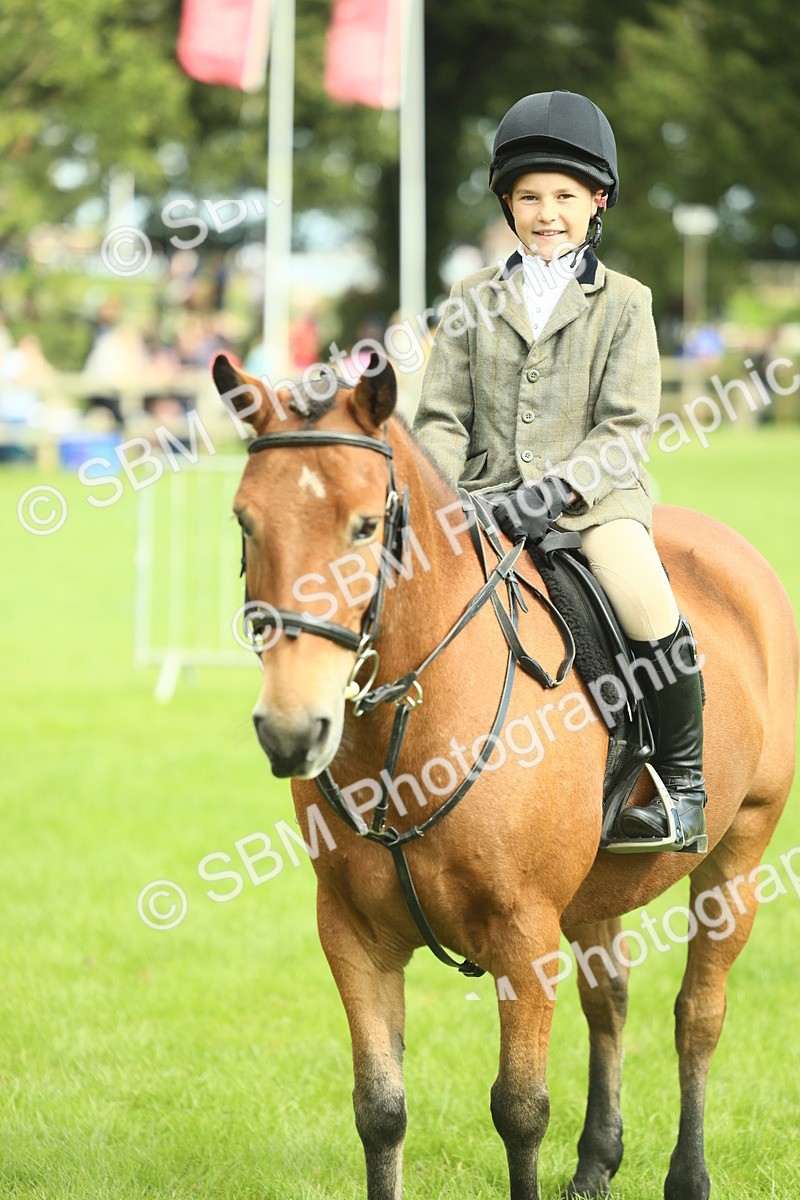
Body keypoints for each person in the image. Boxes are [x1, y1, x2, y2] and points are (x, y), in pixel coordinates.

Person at [413, 90, 707, 853]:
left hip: (594, 503)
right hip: (478, 499)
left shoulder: (626, 303)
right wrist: (438, 501)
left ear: (596, 201)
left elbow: (626, 425)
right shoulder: (469, 299)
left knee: (645, 603)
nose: (547, 213)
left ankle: (683, 789)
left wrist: (551, 492)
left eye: (565, 197)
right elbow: (442, 416)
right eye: (530, 197)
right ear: (509, 206)